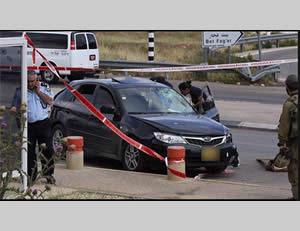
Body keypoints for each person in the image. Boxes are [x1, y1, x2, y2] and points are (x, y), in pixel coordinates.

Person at [11, 70, 56, 184]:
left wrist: (39, 92)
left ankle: (48, 174)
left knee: (47, 150)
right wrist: (20, 126)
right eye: (28, 81)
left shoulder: (44, 87)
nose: (30, 84)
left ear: (37, 80)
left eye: (32, 81)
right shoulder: (20, 91)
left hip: (43, 123)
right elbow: (15, 109)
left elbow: (50, 101)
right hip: (29, 125)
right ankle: (31, 176)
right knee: (30, 152)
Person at [278, 74, 298, 200]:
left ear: (287, 87)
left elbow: (284, 127)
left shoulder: (289, 104)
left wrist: (282, 143)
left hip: (294, 143)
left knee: (294, 170)